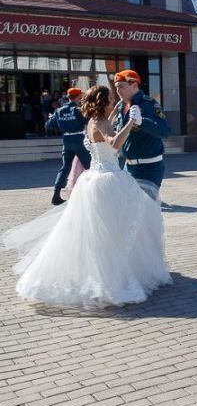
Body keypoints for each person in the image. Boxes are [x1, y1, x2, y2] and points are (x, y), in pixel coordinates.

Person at [2, 85, 171, 308]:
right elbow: (115, 143)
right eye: (111, 97)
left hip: (97, 178)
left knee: (105, 230)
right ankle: (109, 278)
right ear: (103, 102)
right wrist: (131, 122)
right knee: (112, 230)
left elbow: (106, 134)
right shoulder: (100, 122)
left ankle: (110, 270)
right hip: (108, 180)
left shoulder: (94, 120)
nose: (114, 100)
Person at [113, 70, 171, 195]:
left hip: (150, 168)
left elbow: (165, 131)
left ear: (134, 85)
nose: (118, 91)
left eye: (121, 86)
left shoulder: (149, 104)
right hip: (129, 167)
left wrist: (142, 122)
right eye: (116, 87)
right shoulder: (121, 106)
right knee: (129, 208)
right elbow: (117, 130)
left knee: (146, 209)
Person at [45, 88, 91, 205]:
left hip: (66, 140)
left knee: (65, 167)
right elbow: (88, 120)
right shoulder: (78, 110)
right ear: (79, 97)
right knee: (90, 166)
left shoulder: (59, 110)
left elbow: (49, 125)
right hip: (79, 140)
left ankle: (56, 194)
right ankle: (94, 192)